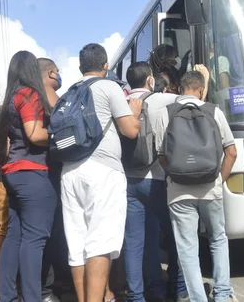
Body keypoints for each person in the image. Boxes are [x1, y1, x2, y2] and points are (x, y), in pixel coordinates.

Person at [60, 43, 142, 302]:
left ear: (80, 66)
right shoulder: (109, 87)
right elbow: (130, 130)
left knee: (77, 242)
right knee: (101, 242)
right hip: (102, 171)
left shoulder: (69, 92)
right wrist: (135, 112)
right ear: (106, 66)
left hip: (70, 170)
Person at [154, 69, 238, 302]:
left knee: (187, 250)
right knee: (218, 239)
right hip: (210, 188)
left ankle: (198, 299)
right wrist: (218, 179)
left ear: (180, 89)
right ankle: (222, 294)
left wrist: (176, 174)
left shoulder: (165, 113)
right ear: (201, 90)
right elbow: (231, 152)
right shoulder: (213, 111)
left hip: (179, 192)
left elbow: (162, 155)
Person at [0, 51, 57, 302]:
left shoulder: (10, 99)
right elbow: (35, 134)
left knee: (15, 236)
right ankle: (32, 297)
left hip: (14, 173)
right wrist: (60, 136)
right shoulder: (29, 94)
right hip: (34, 173)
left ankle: (7, 296)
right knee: (35, 239)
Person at [123, 62, 188, 302]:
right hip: (157, 179)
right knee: (174, 235)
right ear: (150, 79)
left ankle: (140, 295)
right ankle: (178, 287)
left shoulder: (121, 102)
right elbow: (192, 101)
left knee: (135, 241)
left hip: (129, 180)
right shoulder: (161, 99)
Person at [37, 57, 67, 302]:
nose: (59, 76)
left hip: (28, 173)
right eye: (57, 72)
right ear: (49, 73)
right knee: (49, 234)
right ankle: (47, 290)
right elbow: (65, 129)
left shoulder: (21, 95)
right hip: (47, 173)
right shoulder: (47, 95)